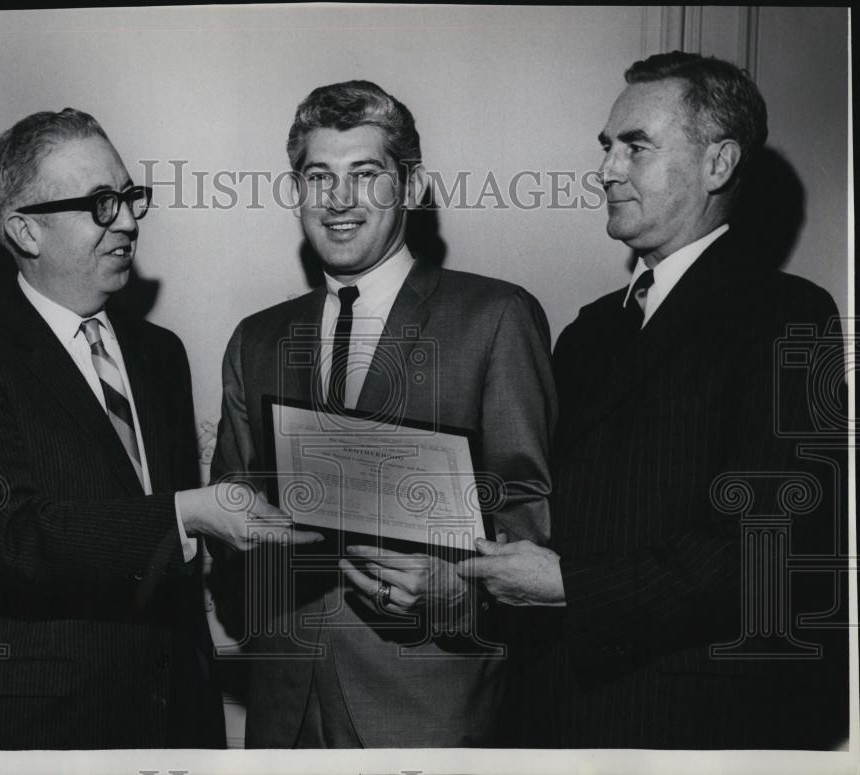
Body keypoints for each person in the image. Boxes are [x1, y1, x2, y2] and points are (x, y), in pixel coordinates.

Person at [459, 51, 848, 748]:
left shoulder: (790, 316)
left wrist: (571, 587)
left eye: (635, 147)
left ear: (719, 164)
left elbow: (770, 552)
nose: (606, 170)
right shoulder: (588, 329)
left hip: (685, 728)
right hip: (548, 716)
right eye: (608, 149)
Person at [0, 108, 317, 750]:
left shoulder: (161, 353)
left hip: (177, 723)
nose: (128, 220)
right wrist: (188, 514)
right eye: (101, 203)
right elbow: (3, 541)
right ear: (25, 230)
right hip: (47, 737)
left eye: (129, 196)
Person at [209, 80, 556, 747]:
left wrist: (458, 595)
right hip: (282, 711)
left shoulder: (494, 317)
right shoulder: (256, 338)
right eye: (318, 177)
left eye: (365, 175)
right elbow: (234, 526)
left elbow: (527, 520)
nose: (338, 201)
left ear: (413, 186)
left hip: (429, 712)